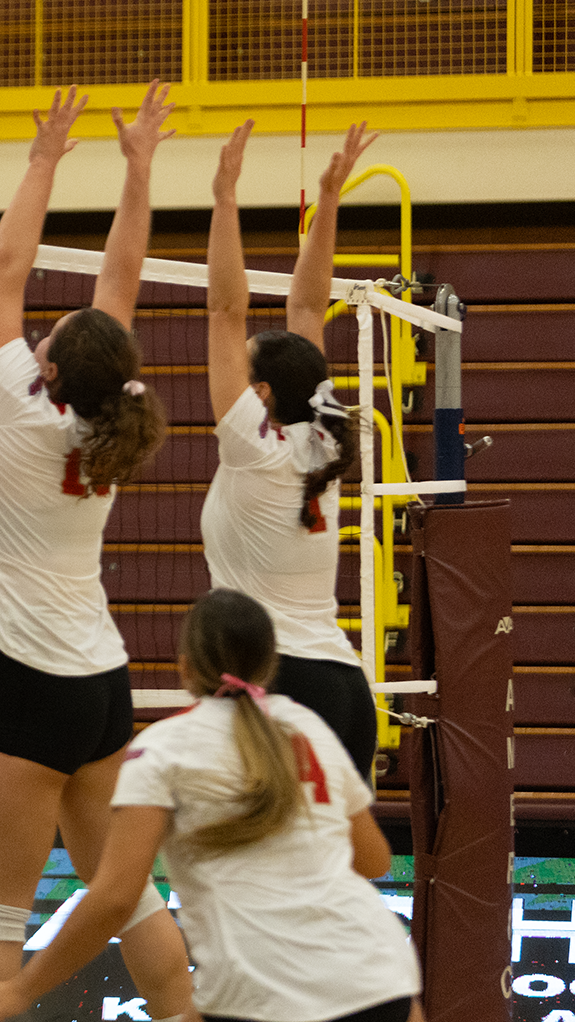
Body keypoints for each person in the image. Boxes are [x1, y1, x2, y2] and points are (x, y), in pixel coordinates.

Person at [0, 81, 194, 1022]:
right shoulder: (106, 424)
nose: (31, 331)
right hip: (103, 685)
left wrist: (43, 158)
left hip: (33, 690)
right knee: (133, 897)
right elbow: (117, 288)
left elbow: (5, 268)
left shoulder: (10, 400)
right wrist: (139, 166)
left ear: (45, 368)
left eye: (43, 337)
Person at [0, 589, 422, 1022]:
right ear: (271, 663)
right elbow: (374, 859)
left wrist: (22, 989)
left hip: (259, 990)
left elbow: (115, 898)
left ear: (184, 667)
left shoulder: (163, 749)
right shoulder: (308, 728)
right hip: (376, 974)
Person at [203, 120, 382, 777]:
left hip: (274, 686)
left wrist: (225, 199)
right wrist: (329, 204)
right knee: (325, 875)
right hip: (342, 687)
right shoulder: (321, 437)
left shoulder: (255, 446)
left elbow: (226, 309)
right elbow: (308, 310)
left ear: (262, 390)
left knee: (259, 872)